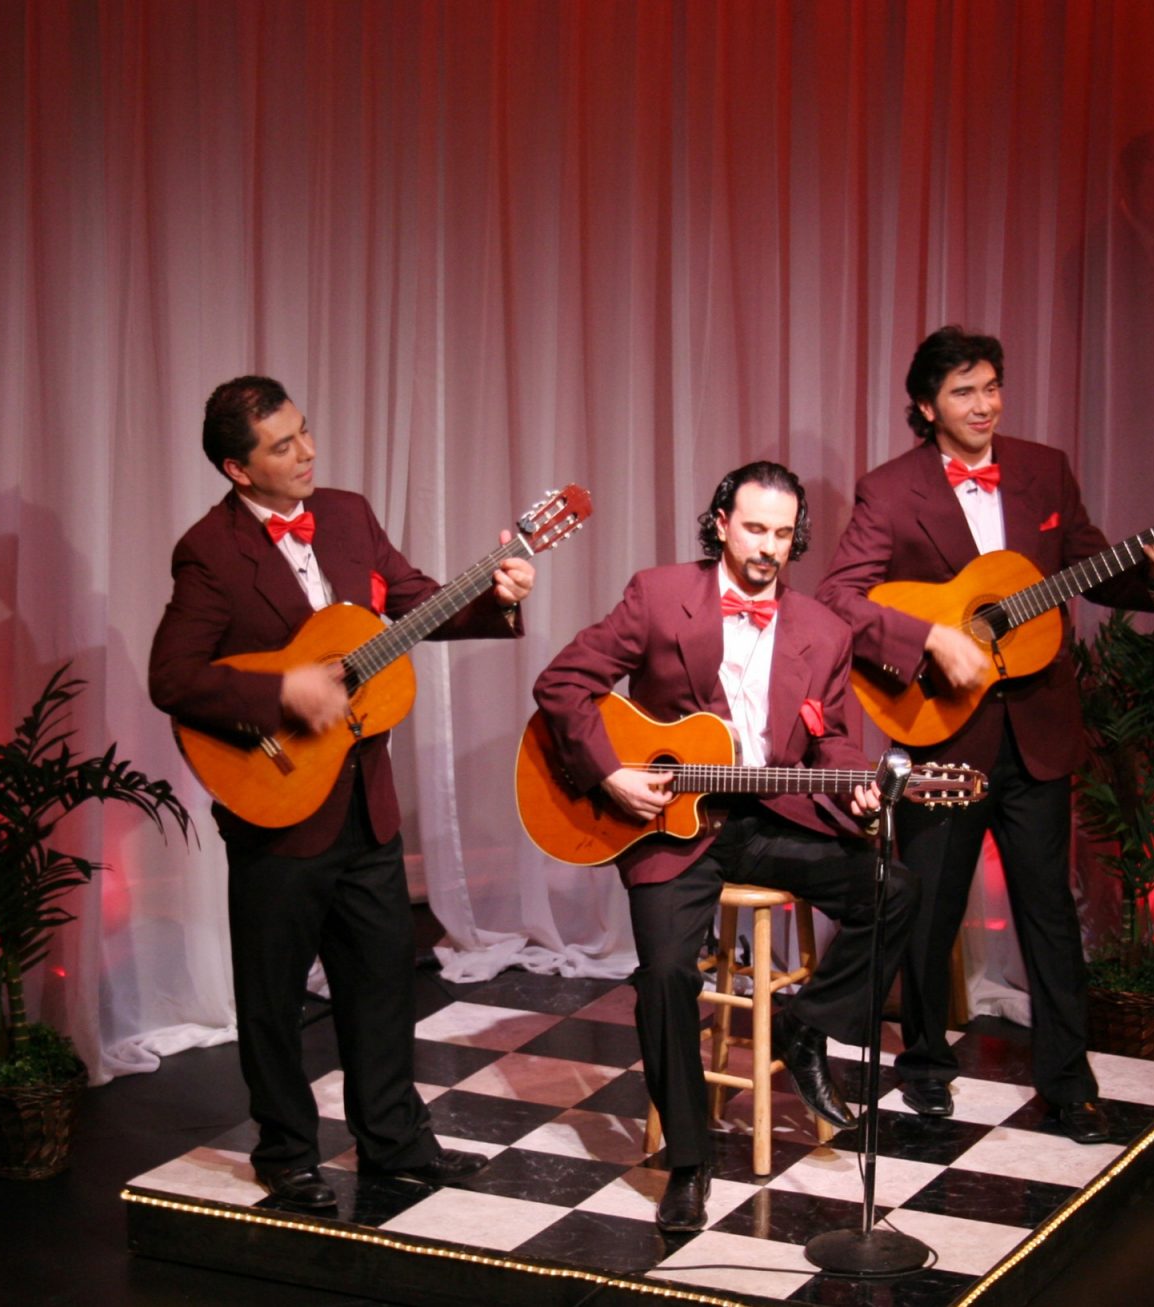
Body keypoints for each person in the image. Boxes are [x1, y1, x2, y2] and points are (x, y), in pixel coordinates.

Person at [148, 376, 535, 1208]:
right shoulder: (210, 550)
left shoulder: (349, 514)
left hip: (366, 798)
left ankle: (394, 1141)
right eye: (282, 445)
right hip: (278, 802)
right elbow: (172, 677)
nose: (307, 452)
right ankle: (286, 1151)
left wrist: (494, 598)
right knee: (273, 994)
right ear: (237, 468)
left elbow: (416, 602)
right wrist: (283, 691)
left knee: (383, 982)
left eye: (305, 431)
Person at [815, 326, 1154, 1144]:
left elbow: (1091, 562)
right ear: (926, 406)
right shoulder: (891, 489)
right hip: (943, 729)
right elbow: (840, 595)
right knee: (930, 910)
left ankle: (1069, 1083)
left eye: (991, 387)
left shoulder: (1043, 468)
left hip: (1039, 728)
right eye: (964, 391)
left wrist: (1152, 571)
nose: (984, 404)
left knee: (1049, 910)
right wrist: (929, 640)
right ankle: (924, 1062)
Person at [532, 461, 912, 1232]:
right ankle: (689, 1159)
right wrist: (610, 776)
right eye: (755, 528)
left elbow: (834, 740)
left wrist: (857, 783)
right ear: (721, 524)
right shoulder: (657, 594)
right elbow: (562, 683)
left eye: (783, 533)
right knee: (666, 973)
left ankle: (807, 1025)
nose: (769, 546)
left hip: (770, 818)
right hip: (670, 823)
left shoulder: (824, 631)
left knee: (894, 888)